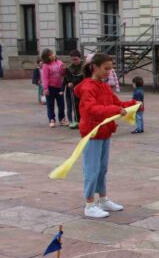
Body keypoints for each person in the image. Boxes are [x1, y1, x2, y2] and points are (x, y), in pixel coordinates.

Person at [74, 53, 136, 218]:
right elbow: (91, 110)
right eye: (106, 68)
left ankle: (103, 199)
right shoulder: (88, 87)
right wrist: (116, 110)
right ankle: (89, 204)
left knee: (102, 169)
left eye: (111, 69)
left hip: (104, 133)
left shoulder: (104, 86)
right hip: (92, 134)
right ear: (94, 67)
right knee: (92, 170)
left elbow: (117, 104)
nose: (109, 72)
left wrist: (133, 105)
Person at [40, 49, 68, 128]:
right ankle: (52, 119)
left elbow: (62, 73)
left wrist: (63, 68)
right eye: (50, 55)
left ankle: (62, 119)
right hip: (50, 87)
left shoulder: (59, 62)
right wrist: (45, 88)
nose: (52, 55)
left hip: (59, 87)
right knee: (50, 104)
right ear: (46, 57)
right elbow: (45, 78)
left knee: (61, 104)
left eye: (52, 53)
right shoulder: (46, 66)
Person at [64, 50, 85, 129]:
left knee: (84, 105)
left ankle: (84, 120)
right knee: (75, 106)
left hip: (83, 90)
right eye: (72, 59)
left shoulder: (84, 67)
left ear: (80, 58)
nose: (74, 61)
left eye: (76, 59)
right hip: (74, 91)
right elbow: (66, 78)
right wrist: (69, 83)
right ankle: (77, 121)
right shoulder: (69, 68)